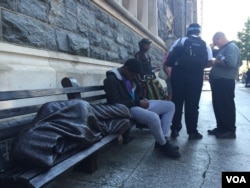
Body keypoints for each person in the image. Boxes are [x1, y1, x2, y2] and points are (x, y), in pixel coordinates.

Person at [103, 58, 181, 158]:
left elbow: (136, 92)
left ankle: (161, 140)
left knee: (170, 106)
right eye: (133, 75)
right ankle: (164, 145)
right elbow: (116, 103)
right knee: (153, 117)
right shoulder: (111, 80)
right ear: (126, 69)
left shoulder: (131, 75)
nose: (134, 77)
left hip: (137, 104)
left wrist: (142, 99)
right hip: (127, 109)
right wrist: (138, 102)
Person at [166, 23, 213, 140]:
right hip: (196, 76)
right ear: (199, 32)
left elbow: (170, 57)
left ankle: (175, 129)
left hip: (179, 74)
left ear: (188, 31)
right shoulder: (204, 44)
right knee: (193, 104)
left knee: (177, 102)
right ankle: (192, 132)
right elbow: (209, 62)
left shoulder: (180, 41)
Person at [207, 32, 240, 138]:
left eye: (216, 42)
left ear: (220, 38)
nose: (216, 45)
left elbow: (230, 63)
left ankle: (229, 130)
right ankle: (221, 128)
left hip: (225, 81)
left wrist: (214, 62)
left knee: (226, 105)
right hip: (219, 81)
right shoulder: (223, 49)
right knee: (218, 105)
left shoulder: (231, 47)